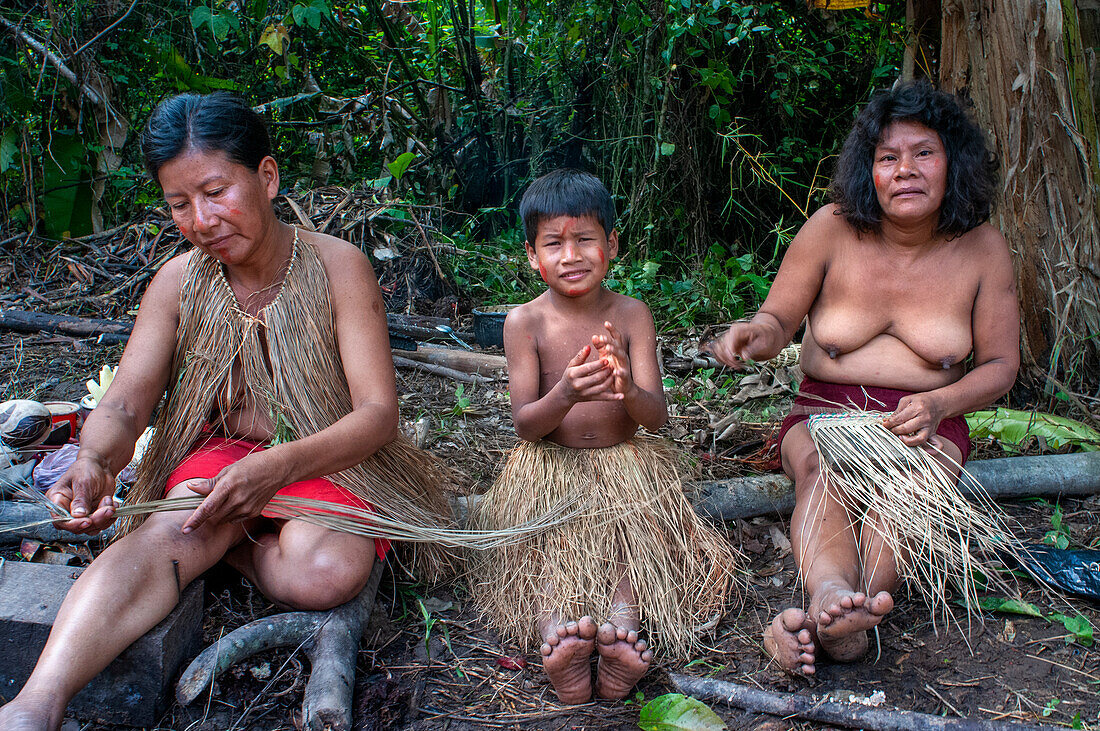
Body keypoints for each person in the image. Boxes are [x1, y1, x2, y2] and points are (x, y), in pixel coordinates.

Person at [0, 93, 453, 730]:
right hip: (226, 461)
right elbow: (127, 401)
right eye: (179, 204)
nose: (202, 219)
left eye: (216, 191)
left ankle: (232, 544)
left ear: (266, 177)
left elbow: (376, 415)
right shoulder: (180, 281)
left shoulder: (336, 267)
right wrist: (95, 461)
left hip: (330, 457)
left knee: (325, 573)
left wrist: (274, 470)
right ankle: (34, 705)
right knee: (164, 536)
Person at [708, 80, 1019, 675]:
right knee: (816, 473)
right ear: (868, 170)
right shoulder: (832, 227)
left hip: (925, 423)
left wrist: (939, 403)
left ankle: (855, 612)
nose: (905, 170)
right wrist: (756, 334)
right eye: (887, 157)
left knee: (906, 497)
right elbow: (778, 318)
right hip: (824, 413)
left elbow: (1003, 368)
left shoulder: (983, 249)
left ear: (954, 163)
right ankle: (829, 596)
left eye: (923, 153)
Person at [470, 169, 738, 704]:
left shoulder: (632, 314)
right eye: (554, 243)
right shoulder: (524, 322)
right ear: (532, 255)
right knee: (544, 549)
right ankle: (558, 643)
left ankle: (621, 638)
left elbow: (656, 416)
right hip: (548, 470)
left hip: (626, 466)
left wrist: (625, 388)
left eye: (585, 239)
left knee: (629, 548)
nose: (571, 255)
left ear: (611, 244)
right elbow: (526, 424)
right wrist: (566, 392)